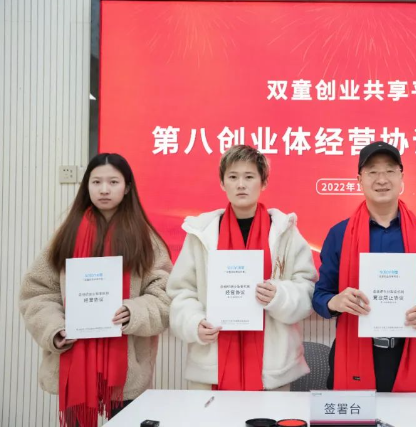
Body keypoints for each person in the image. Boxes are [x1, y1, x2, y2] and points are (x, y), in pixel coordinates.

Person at [19, 153, 173, 426]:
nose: (104, 189)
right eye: (96, 182)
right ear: (86, 186)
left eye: (113, 182)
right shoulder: (66, 235)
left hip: (127, 370)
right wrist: (55, 329)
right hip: (74, 361)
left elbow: (164, 295)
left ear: (127, 187)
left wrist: (133, 312)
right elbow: (37, 292)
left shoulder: (145, 238)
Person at [167, 145, 317, 391]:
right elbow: (181, 291)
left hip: (271, 370)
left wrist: (279, 295)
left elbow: (307, 288)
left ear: (263, 182)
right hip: (211, 369)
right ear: (222, 183)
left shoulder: (285, 231)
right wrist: (194, 323)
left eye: (249, 177)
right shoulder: (201, 232)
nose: (240, 185)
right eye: (233, 177)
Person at [313, 141, 416, 392]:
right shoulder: (340, 234)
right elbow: (321, 295)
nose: (382, 179)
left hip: (408, 353)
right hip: (351, 353)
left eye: (389, 170)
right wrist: (334, 302)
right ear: (359, 179)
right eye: (372, 171)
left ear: (401, 177)